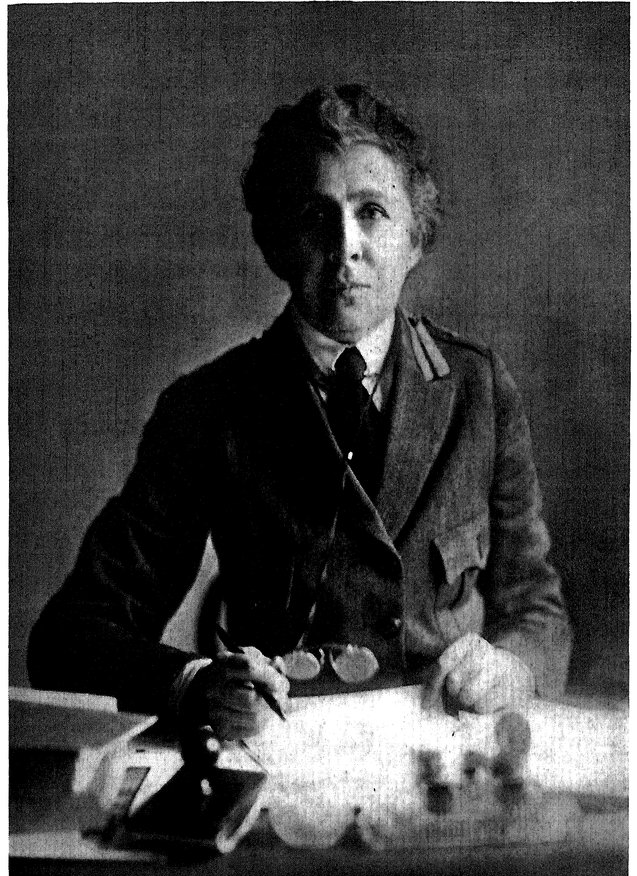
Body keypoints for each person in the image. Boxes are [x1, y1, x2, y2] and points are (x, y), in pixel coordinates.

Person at [28, 84, 571, 744]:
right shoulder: (208, 408)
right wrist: (196, 683)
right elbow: (70, 637)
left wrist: (513, 666)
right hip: (283, 752)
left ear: (414, 237)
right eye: (316, 217)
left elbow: (535, 605)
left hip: (440, 752)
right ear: (277, 244)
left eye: (372, 212)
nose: (346, 247)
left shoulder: (476, 389)